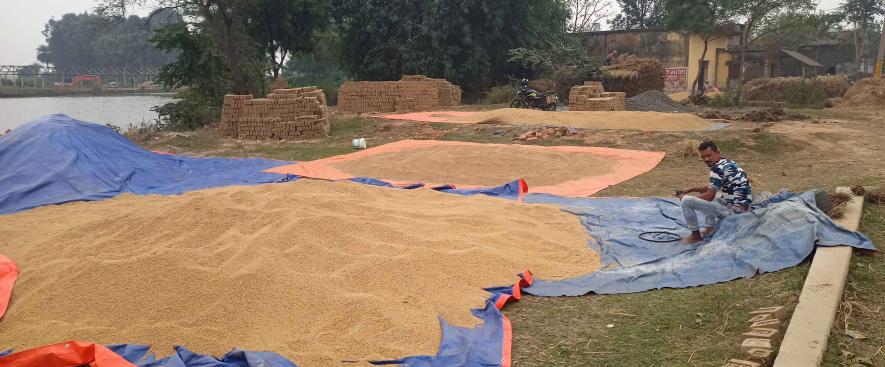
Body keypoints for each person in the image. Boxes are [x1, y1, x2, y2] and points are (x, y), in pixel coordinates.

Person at [676, 140, 752, 243]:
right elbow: (712, 188)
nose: (706, 159)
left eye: (709, 155)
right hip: (742, 208)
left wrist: (685, 198)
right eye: (703, 157)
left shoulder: (717, 169)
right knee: (713, 195)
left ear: (717, 153)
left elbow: (709, 196)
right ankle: (710, 228)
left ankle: (696, 236)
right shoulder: (726, 163)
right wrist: (691, 189)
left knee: (687, 201)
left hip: (735, 212)